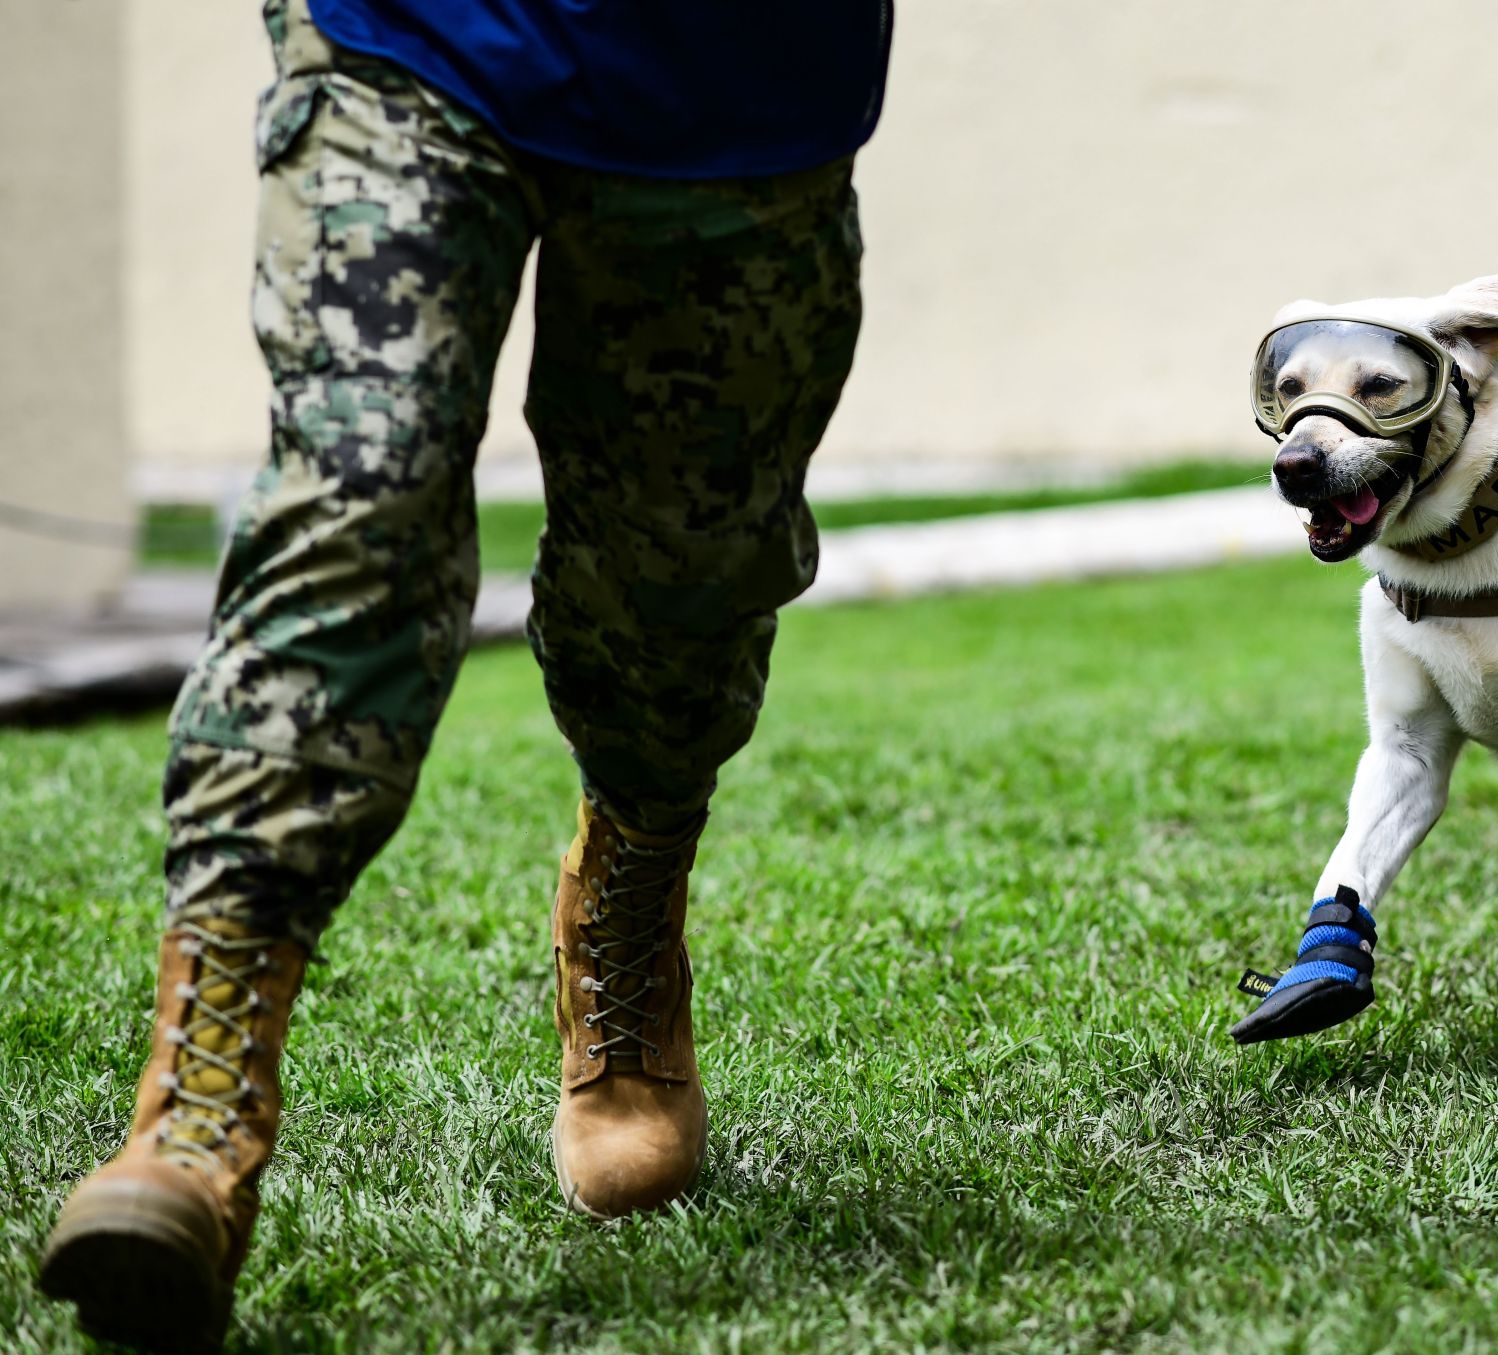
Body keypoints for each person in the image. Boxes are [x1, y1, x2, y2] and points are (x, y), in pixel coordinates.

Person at [37, 0, 891, 1348]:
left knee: (682, 573)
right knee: (360, 492)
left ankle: (625, 885)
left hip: (739, 83)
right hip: (408, 32)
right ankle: (196, 1122)